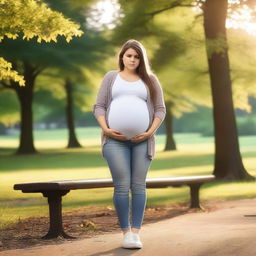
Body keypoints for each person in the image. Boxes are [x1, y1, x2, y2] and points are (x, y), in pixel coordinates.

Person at [93, 39, 166, 249]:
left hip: (143, 142)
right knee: (122, 186)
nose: (132, 59)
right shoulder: (111, 78)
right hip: (115, 142)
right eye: (129, 55)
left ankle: (136, 233)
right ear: (122, 57)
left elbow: (160, 109)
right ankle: (125, 233)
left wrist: (149, 133)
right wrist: (106, 129)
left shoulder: (150, 80)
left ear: (141, 59)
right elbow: (99, 106)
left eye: (136, 56)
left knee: (139, 186)